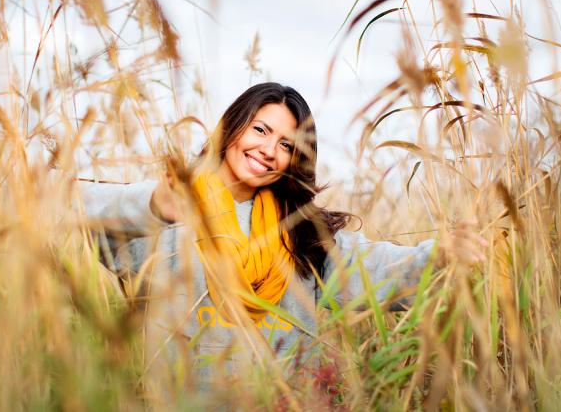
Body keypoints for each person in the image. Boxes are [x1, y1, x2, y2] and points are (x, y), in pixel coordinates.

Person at [80, 82, 485, 381]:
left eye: (287, 145)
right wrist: (153, 207)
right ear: (232, 126)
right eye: (260, 130)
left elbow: (373, 269)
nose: (269, 150)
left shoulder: (299, 228)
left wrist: (441, 256)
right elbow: (76, 213)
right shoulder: (169, 207)